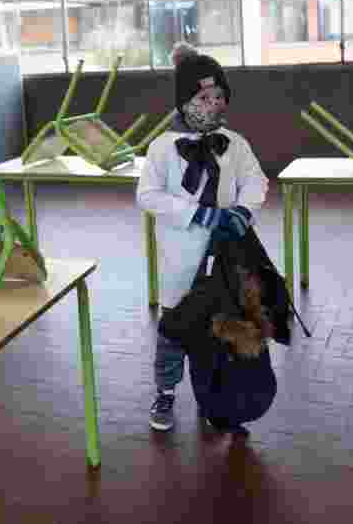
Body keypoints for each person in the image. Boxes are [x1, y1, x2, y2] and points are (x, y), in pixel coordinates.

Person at [136, 53, 269, 431]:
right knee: (175, 328)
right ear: (183, 102)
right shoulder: (163, 147)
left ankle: (213, 399)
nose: (212, 106)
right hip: (180, 259)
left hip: (223, 257)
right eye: (203, 99)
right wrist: (196, 213)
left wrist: (243, 211)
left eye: (218, 98)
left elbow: (256, 181)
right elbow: (147, 196)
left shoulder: (235, 143)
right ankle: (165, 391)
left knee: (216, 332)